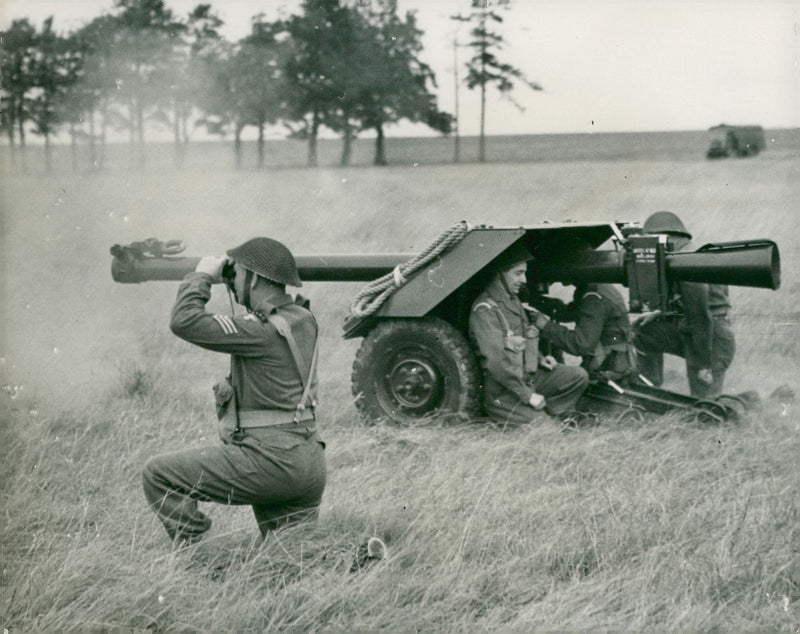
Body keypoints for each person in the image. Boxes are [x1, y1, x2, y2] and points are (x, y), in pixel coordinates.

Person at [142, 237, 326, 546]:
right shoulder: (303, 319)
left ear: (253, 278)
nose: (232, 280)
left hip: (271, 462)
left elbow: (184, 320)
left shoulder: (260, 330)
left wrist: (202, 276)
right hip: (308, 462)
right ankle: (358, 558)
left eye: (237, 273)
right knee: (292, 560)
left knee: (160, 474)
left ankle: (196, 559)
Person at [468, 243, 589, 425]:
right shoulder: (485, 310)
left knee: (579, 376)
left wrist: (540, 359)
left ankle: (545, 411)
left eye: (524, 273)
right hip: (505, 393)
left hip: (529, 378)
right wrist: (528, 396)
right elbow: (497, 364)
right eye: (517, 273)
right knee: (547, 431)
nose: (524, 280)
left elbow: (525, 339)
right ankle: (538, 416)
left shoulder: (513, 300)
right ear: (500, 274)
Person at [631, 211, 736, 398]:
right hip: (692, 332)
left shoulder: (688, 263)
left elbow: (701, 316)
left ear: (665, 239)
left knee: (706, 407)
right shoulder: (682, 256)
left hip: (711, 338)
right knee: (642, 333)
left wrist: (704, 363)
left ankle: (748, 404)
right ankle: (649, 392)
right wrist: (658, 314)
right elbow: (685, 304)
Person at [526, 282, 637, 382]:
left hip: (606, 370)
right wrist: (533, 299)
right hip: (613, 363)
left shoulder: (593, 298)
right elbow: (569, 312)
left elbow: (581, 344)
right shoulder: (596, 287)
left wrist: (546, 326)